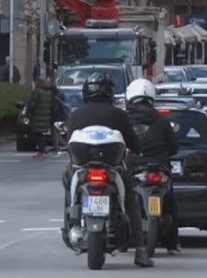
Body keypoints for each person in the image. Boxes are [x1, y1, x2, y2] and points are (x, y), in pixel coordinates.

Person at [63, 72, 150, 268]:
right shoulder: (119, 115)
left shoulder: (77, 114)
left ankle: (70, 218)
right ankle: (141, 250)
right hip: (113, 169)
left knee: (66, 180)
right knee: (131, 199)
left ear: (86, 92)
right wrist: (137, 150)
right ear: (110, 93)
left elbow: (68, 141)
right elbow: (133, 142)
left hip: (83, 170)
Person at [124, 79, 181, 255]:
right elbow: (174, 147)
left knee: (121, 198)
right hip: (159, 166)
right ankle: (172, 242)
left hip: (132, 166)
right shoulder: (161, 120)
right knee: (170, 202)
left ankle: (119, 236)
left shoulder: (125, 120)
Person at [27, 79, 58, 157]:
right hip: (46, 116)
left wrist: (28, 110)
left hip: (38, 116)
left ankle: (41, 151)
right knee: (42, 134)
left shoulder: (37, 92)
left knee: (38, 134)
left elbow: (32, 104)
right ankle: (43, 150)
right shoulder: (49, 93)